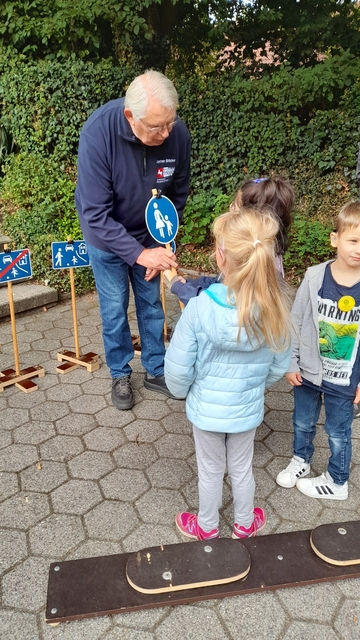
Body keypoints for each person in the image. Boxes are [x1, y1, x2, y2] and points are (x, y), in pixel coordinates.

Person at [164, 208, 292, 540]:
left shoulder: (198, 308)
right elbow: (279, 363)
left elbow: (177, 372)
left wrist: (187, 393)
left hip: (205, 411)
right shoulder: (275, 307)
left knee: (209, 471)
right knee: (241, 468)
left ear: (221, 258)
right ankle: (244, 524)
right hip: (246, 410)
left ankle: (206, 528)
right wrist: (254, 387)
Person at [75, 70, 191, 410]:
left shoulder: (176, 132)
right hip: (106, 239)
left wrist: (165, 237)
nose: (166, 133)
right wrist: (139, 254)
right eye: (157, 127)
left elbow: (178, 192)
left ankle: (157, 368)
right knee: (114, 310)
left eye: (170, 123)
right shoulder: (98, 133)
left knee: (153, 305)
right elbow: (94, 212)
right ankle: (120, 373)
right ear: (131, 117)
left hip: (150, 237)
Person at [277, 201, 360, 500]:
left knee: (338, 432)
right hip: (309, 371)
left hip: (345, 379)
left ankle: (337, 481)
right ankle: (301, 460)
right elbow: (295, 321)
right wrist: (290, 361)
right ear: (335, 238)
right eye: (353, 240)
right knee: (302, 421)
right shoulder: (314, 277)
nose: (358, 248)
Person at [163, 175, 294, 305]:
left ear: (250, 217)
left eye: (235, 205)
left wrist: (181, 289)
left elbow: (216, 306)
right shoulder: (261, 249)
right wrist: (192, 283)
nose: (230, 207)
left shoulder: (252, 262)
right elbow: (221, 282)